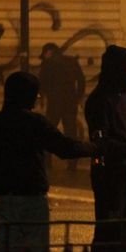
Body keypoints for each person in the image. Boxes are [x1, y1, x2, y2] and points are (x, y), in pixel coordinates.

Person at [0, 71, 94, 252]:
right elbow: (64, 147)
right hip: (33, 199)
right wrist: (94, 148)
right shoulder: (34, 123)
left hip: (5, 198)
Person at [84, 44, 126, 252]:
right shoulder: (100, 100)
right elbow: (102, 141)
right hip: (109, 176)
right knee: (109, 231)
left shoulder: (123, 97)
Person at [39, 42, 86, 170]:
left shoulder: (47, 64)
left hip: (54, 103)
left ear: (49, 52)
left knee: (48, 132)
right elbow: (81, 80)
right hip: (70, 103)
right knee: (71, 133)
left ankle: (47, 162)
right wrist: (78, 96)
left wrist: (42, 97)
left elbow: (42, 83)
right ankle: (72, 163)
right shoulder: (71, 61)